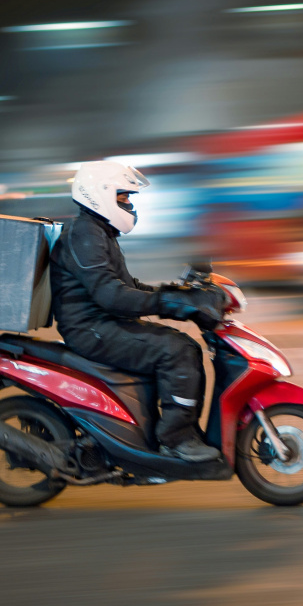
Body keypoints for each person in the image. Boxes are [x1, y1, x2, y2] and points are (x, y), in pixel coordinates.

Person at [49, 161, 225, 462]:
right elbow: (112, 296)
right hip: (91, 328)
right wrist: (169, 304)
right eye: (123, 197)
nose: (129, 205)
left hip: (101, 323)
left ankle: (170, 430)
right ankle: (175, 439)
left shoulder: (97, 232)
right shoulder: (85, 235)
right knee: (178, 350)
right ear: (100, 194)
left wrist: (174, 294)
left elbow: (127, 287)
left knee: (182, 347)